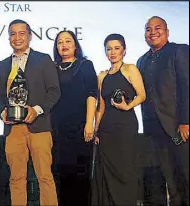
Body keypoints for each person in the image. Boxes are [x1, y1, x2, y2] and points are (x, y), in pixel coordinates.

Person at [0, 19, 61, 206]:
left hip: (39, 126)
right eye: (13, 34)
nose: (17, 37)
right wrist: (2, 113)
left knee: (44, 177)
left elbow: (54, 91)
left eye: (22, 33)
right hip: (13, 130)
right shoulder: (2, 65)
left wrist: (36, 110)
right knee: (16, 178)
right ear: (8, 38)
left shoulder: (43, 59)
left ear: (30, 36)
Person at [137, 16, 189, 205]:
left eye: (157, 28)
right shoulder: (141, 60)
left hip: (178, 127)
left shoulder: (179, 51)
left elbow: (187, 86)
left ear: (167, 32)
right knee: (170, 179)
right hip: (154, 130)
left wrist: (186, 121)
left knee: (186, 174)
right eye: (148, 29)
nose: (153, 32)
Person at [92, 33, 146, 206]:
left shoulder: (130, 69)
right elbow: (100, 107)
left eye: (116, 48)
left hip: (125, 127)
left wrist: (128, 106)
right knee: (107, 173)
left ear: (124, 50)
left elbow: (142, 95)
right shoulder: (101, 76)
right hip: (106, 129)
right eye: (109, 49)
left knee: (125, 170)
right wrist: (96, 130)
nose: (113, 52)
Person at [51, 30, 97, 206]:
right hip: (57, 129)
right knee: (61, 175)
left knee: (80, 175)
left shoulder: (85, 65)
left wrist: (89, 123)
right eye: (60, 42)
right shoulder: (52, 68)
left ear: (75, 45)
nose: (64, 45)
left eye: (68, 41)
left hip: (80, 128)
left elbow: (92, 94)